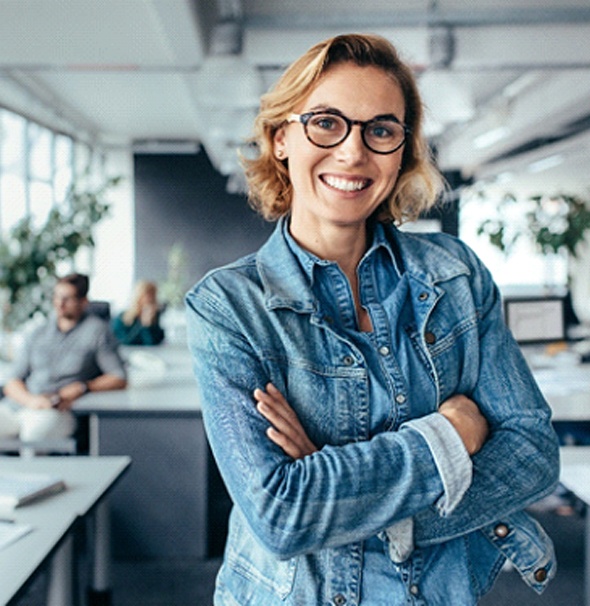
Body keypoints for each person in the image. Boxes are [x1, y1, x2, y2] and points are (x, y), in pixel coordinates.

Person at [185, 34, 560, 605]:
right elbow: (281, 515)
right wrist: (450, 435)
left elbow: (532, 452)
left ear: (402, 151)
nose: (353, 152)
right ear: (282, 137)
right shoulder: (230, 307)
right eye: (326, 123)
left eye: (381, 130)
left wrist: (355, 501)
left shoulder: (455, 276)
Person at [0, 273, 127, 444]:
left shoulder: (97, 331)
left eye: (68, 299)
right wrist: (32, 401)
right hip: (24, 404)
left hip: (59, 410)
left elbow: (118, 377)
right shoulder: (38, 331)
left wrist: (83, 387)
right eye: (57, 297)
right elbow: (12, 382)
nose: (60, 303)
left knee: (34, 433)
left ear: (83, 302)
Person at [112, 280, 165, 346]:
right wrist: (141, 325)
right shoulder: (121, 318)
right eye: (147, 296)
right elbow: (125, 342)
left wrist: (147, 325)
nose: (150, 300)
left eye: (153, 296)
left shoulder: (154, 319)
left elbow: (152, 343)